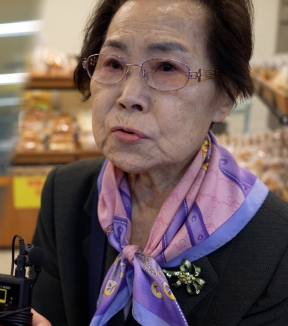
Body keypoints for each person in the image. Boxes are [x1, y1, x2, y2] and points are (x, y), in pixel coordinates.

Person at [31, 0, 288, 325]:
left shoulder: (275, 244)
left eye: (167, 68)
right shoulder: (65, 195)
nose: (129, 95)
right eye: (113, 63)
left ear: (225, 97)